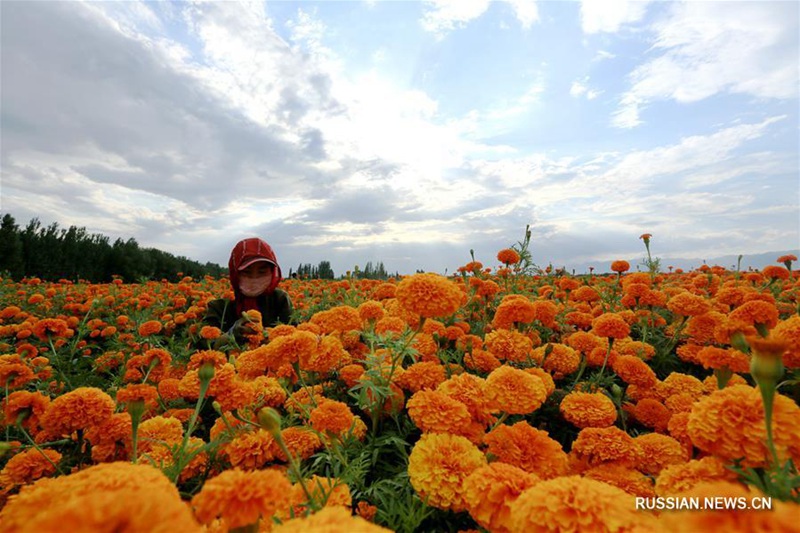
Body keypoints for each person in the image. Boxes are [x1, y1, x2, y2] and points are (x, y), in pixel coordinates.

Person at [203, 237, 293, 345]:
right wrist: (231, 334)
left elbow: (295, 335)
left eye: (262, 271)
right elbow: (200, 345)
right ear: (235, 274)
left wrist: (272, 339)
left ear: (272, 272)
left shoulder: (279, 299)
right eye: (246, 272)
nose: (254, 278)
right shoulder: (220, 307)